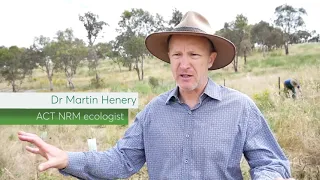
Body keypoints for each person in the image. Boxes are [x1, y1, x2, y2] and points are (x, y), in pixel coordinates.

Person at [18, 11, 295, 180]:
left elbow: (269, 161)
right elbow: (121, 161)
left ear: (210, 60)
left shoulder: (240, 108)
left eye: (193, 55)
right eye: (176, 55)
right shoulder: (153, 113)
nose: (183, 64)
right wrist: (68, 159)